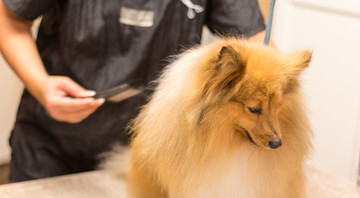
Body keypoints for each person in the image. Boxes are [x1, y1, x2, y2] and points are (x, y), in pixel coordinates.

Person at [0, 0, 267, 182]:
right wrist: (40, 84)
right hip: (52, 149)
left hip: (151, 159)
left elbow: (258, 50)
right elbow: (9, 18)